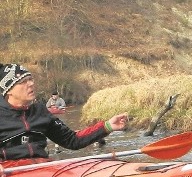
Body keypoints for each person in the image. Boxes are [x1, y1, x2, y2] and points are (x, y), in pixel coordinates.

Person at [0, 63, 128, 170]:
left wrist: (107, 126)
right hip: (10, 172)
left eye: (30, 79)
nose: (31, 84)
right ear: (9, 90)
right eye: (23, 82)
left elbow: (72, 140)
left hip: (41, 168)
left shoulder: (40, 111)